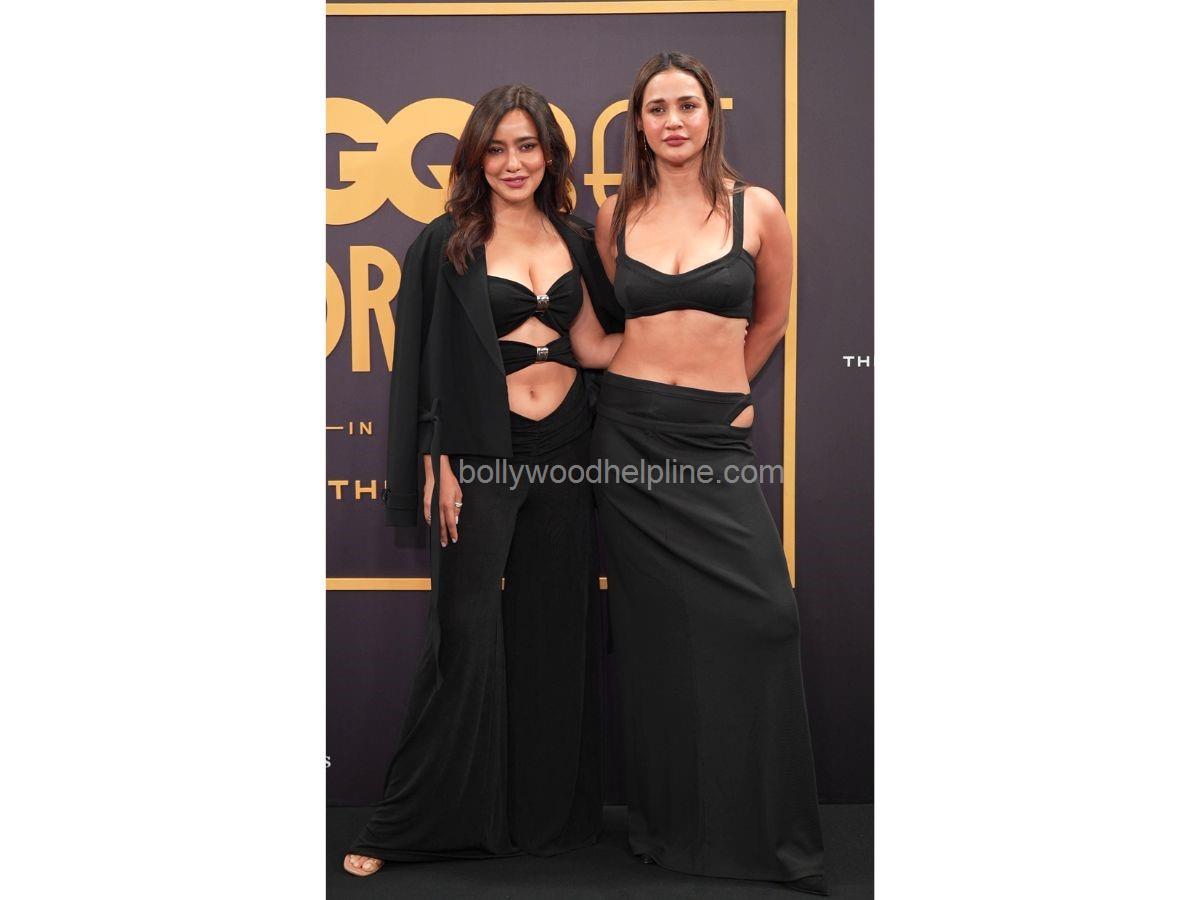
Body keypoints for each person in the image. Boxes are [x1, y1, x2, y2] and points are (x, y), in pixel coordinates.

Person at [344, 83, 623, 877]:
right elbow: (422, 367)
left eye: (527, 146)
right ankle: (407, 827)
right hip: (480, 457)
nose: (513, 162)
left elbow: (596, 347)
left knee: (555, 633)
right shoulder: (445, 245)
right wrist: (439, 461)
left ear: (550, 155)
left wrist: (695, 354)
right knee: (464, 639)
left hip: (566, 451)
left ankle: (545, 817)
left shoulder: (577, 238)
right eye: (496, 148)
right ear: (476, 158)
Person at [590, 51, 828, 894]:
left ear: (710, 114)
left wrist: (725, 398)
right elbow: (613, 324)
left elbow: (771, 321)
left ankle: (760, 836)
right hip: (628, 439)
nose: (673, 121)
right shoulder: (616, 213)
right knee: (658, 641)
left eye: (686, 105)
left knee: (766, 618)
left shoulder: (758, 209)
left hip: (711, 444)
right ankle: (670, 830)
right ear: (639, 124)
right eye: (656, 108)